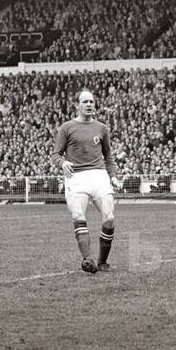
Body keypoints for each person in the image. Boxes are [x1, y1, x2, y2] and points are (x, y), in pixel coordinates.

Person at [52, 89, 122, 274]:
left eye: (91, 101)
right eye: (85, 102)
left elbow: (109, 156)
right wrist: (62, 162)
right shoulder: (67, 128)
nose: (89, 104)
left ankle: (102, 261)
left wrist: (113, 176)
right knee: (78, 216)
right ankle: (88, 259)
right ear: (78, 106)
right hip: (76, 177)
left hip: (99, 175)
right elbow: (56, 154)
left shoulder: (102, 128)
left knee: (109, 218)